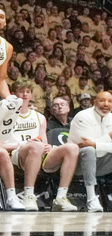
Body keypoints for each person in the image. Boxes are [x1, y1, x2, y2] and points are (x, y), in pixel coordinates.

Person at [1, 83, 80, 211]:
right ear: (14, 94)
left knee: (72, 148)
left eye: (28, 91)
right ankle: (29, 196)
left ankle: (60, 198)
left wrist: (47, 146)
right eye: (21, 91)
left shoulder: (39, 117)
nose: (25, 94)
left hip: (39, 153)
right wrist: (24, 144)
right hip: (17, 154)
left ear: (31, 94)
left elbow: (43, 140)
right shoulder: (5, 116)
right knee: (36, 146)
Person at [0, 8, 12, 100]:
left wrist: (10, 99)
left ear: (5, 23)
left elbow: (0, 80)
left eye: (1, 17)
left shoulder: (7, 47)